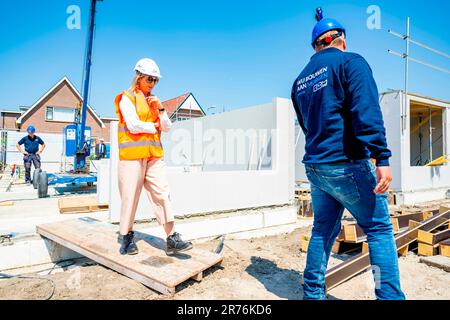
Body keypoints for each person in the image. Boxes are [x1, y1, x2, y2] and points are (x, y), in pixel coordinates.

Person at [291, 8, 405, 300]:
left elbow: (306, 126)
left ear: (316, 45)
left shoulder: (300, 81)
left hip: (316, 166)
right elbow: (366, 111)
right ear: (340, 39)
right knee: (379, 230)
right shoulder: (350, 62)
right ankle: (389, 296)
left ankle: (312, 294)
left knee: (322, 230)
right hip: (347, 164)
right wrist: (382, 158)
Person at [114, 58, 193, 256]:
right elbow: (133, 125)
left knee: (162, 193)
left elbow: (167, 126)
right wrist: (155, 126)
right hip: (132, 157)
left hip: (154, 156)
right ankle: (126, 237)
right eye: (150, 79)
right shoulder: (127, 98)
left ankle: (172, 238)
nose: (153, 83)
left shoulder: (154, 102)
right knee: (130, 197)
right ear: (139, 77)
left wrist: (161, 109)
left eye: (156, 80)